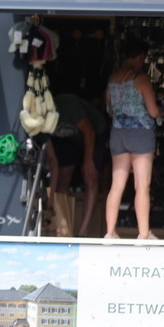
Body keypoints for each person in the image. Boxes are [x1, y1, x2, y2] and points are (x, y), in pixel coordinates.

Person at [103, 39, 163, 240]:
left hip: (118, 133)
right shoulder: (141, 78)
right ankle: (144, 234)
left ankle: (110, 232)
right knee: (142, 186)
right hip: (140, 134)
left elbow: (110, 111)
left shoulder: (112, 79)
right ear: (139, 57)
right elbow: (153, 111)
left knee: (116, 185)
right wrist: (162, 110)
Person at [43, 93, 108, 237]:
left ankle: (83, 231)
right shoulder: (39, 124)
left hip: (94, 132)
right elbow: (53, 163)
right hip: (68, 137)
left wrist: (88, 161)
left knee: (90, 176)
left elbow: (89, 131)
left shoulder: (68, 106)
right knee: (63, 176)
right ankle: (60, 226)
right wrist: (50, 200)